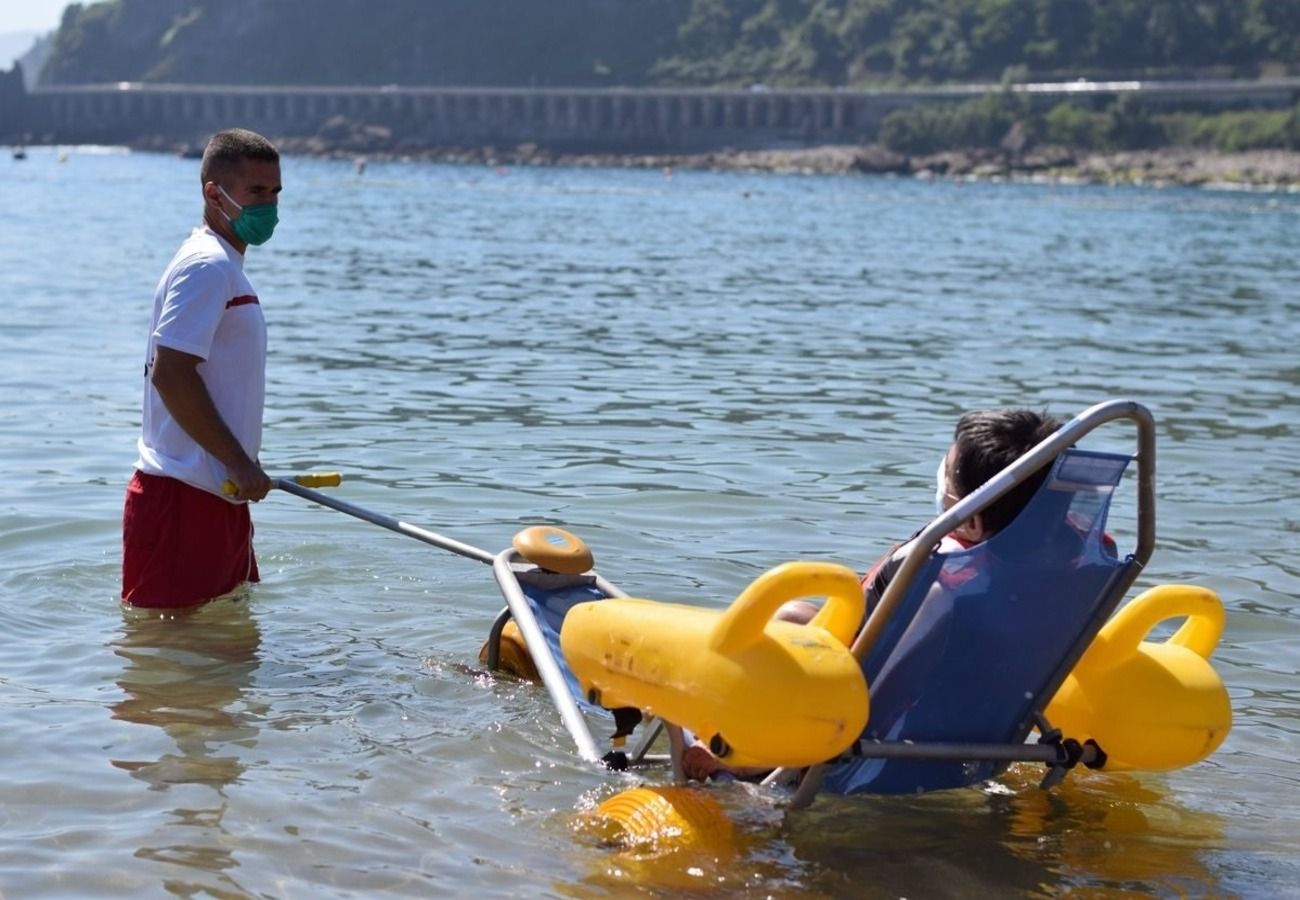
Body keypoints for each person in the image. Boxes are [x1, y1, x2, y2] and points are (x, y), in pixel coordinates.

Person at [683, 407, 1063, 781]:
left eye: (947, 476)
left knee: (771, 628)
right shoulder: (1064, 566)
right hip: (972, 733)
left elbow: (882, 693)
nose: (940, 480)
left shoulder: (943, 584)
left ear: (974, 521)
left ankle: (746, 753)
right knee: (793, 614)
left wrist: (763, 757)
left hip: (858, 736)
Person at [121, 128, 282, 609]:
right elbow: (170, 373)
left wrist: (240, 467)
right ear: (215, 192)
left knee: (226, 660)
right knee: (171, 664)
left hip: (219, 494)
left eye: (274, 193)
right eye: (256, 192)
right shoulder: (206, 266)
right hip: (181, 498)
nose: (269, 207)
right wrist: (237, 461)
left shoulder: (226, 268)